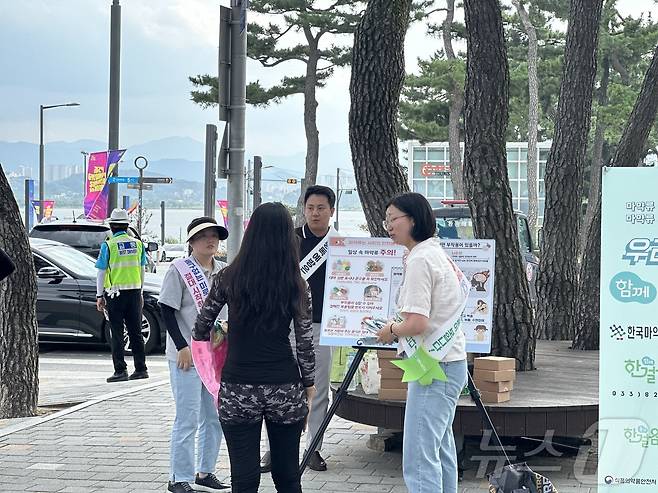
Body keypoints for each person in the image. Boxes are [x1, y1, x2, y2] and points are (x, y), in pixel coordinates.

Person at [193, 202, 316, 493]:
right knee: (287, 477)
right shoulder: (296, 284)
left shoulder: (227, 277)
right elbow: (305, 342)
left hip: (238, 388)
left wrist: (226, 330)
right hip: (284, 387)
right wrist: (309, 386)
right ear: (288, 237)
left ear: (250, 234)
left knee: (244, 479)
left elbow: (200, 328)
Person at [375, 192, 468, 493]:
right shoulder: (435, 253)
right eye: (386, 220)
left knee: (418, 456)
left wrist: (390, 328)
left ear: (413, 220)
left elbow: (417, 323)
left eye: (393, 219)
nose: (388, 225)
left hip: (433, 368)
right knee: (440, 448)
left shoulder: (420, 259)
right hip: (447, 364)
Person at [261, 185, 336, 473]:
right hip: (286, 326)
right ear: (303, 209)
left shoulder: (341, 244)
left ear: (331, 211)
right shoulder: (288, 240)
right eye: (310, 208)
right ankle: (272, 450)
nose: (315, 213)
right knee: (279, 387)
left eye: (321, 208)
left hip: (323, 327)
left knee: (318, 390)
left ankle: (313, 447)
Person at [159, 217, 231, 493]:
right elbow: (167, 310)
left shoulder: (224, 271)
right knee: (187, 417)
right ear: (191, 241)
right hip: (186, 356)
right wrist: (181, 346)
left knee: (215, 416)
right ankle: (179, 477)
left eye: (214, 236)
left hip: (215, 355)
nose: (210, 241)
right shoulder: (179, 270)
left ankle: (205, 472)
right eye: (203, 236)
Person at [95, 208, 149, 383]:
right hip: (134, 292)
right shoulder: (138, 244)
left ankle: (120, 370)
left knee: (117, 332)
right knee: (136, 332)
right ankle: (141, 368)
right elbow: (142, 269)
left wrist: (99, 295)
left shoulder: (108, 245)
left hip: (114, 294)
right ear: (127, 226)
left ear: (111, 226)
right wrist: (140, 292)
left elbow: (101, 272)